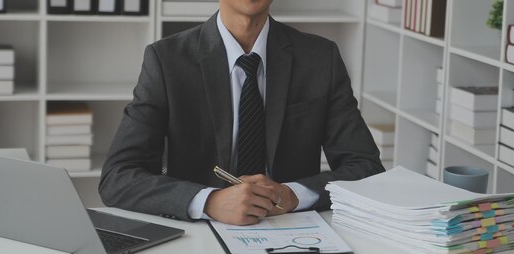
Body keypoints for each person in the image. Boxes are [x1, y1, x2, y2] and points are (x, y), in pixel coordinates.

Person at [99, 0, 385, 226]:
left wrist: (293, 194)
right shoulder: (166, 60)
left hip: (293, 228)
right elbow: (118, 177)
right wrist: (208, 201)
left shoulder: (320, 57)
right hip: (197, 236)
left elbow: (366, 168)